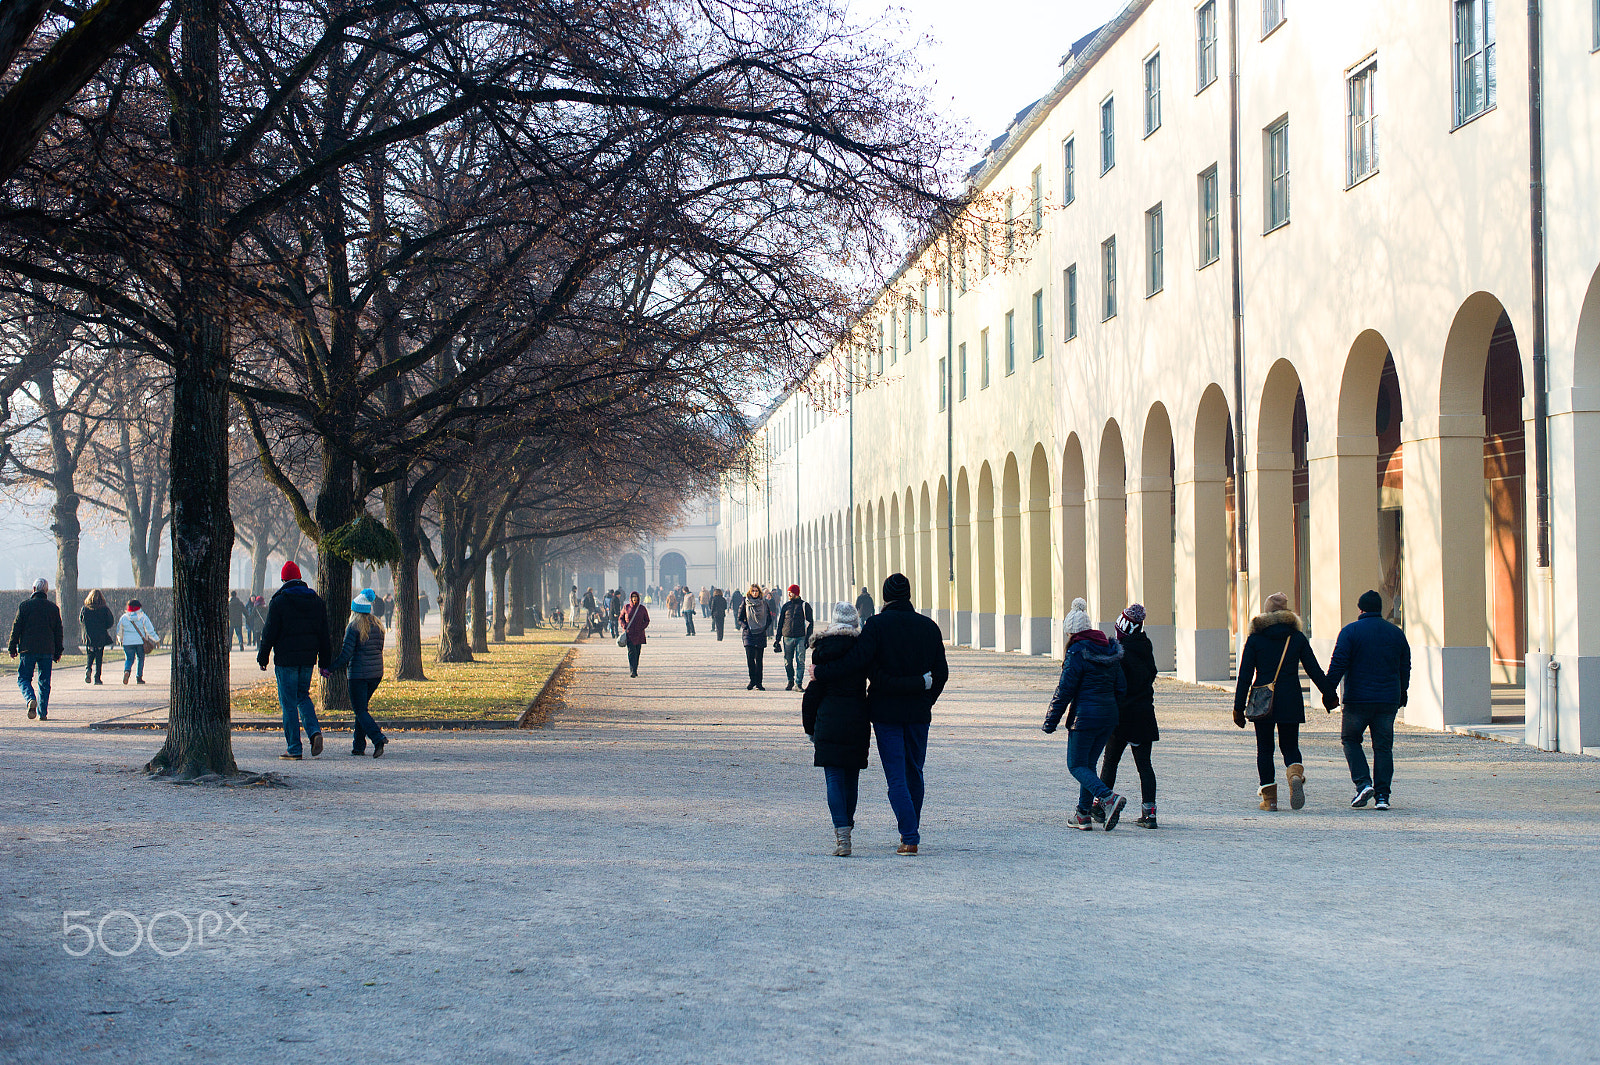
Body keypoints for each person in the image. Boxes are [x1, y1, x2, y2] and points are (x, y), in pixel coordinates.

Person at [812, 573, 948, 855]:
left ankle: (910, 835)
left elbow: (859, 664)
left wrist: (821, 672)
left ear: (885, 597)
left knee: (896, 777)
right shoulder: (929, 627)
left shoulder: (876, 626)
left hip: (885, 713)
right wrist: (926, 699)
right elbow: (942, 674)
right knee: (915, 773)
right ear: (909, 595)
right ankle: (909, 830)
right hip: (918, 714)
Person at [1233, 592, 1335, 812]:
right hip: (1290, 698)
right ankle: (1295, 774)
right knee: (1290, 745)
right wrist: (1329, 694)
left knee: (1265, 749)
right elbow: (1313, 669)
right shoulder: (1296, 637)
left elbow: (1244, 675)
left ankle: (1270, 800)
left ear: (1266, 612)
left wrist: (1238, 708)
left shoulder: (1256, 638)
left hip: (1263, 700)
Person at [1042, 598, 1130, 831]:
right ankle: (1082, 814)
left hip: (1085, 717)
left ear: (1071, 633)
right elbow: (1121, 687)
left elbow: (1065, 690)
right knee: (1088, 764)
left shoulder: (1076, 652)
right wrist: (1108, 707)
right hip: (1108, 717)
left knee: (1076, 765)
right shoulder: (1110, 650)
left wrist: (1051, 721)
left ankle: (1108, 798)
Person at [1324, 589, 1412, 810]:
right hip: (1387, 699)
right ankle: (1383, 796)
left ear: (1360, 609)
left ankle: (1363, 783)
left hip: (1357, 700)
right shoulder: (1396, 633)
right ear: (1379, 609)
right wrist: (1403, 692)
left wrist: (1329, 692)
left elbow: (1338, 664)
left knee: (1351, 740)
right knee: (1383, 747)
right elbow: (1405, 666)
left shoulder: (1350, 632)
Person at [802, 602, 871, 856]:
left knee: (833, 777)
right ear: (855, 623)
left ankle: (842, 834)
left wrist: (810, 728)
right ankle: (848, 826)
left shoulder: (820, 650)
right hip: (856, 718)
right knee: (851, 777)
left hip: (828, 720)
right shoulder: (862, 649)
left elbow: (812, 695)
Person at [257, 560, 333, 760]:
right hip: (308, 659)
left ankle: (294, 748)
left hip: (286, 660)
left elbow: (269, 633)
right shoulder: (317, 601)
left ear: (283, 579)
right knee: (302, 696)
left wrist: (263, 657)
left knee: (288, 703)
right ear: (300, 578)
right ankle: (314, 732)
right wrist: (325, 661)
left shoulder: (279, 601)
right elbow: (324, 635)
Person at [1100, 603, 1160, 828]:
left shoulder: (1119, 652)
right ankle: (1150, 813)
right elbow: (1151, 674)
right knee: (1145, 765)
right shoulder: (1146, 646)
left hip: (1122, 716)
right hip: (1144, 714)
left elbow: (1114, 684)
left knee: (1110, 762)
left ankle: (1102, 805)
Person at [327, 590, 389, 758]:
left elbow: (346, 655)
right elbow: (379, 649)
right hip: (376, 673)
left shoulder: (353, 627)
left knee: (359, 709)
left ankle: (378, 738)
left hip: (358, 675)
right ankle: (358, 746)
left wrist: (330, 668)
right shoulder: (378, 626)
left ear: (355, 611)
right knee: (362, 710)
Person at [9, 577, 63, 720]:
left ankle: (30, 698)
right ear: (46, 591)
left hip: (28, 649)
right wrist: (58, 651)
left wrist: (12, 647)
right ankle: (42, 713)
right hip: (47, 649)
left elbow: (16, 628)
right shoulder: (53, 608)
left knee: (23, 678)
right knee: (44, 682)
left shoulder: (25, 606)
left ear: (33, 590)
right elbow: (58, 631)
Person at [775, 584, 814, 691]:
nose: (788, 594)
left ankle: (798, 683)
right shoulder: (786, 606)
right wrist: (777, 639)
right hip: (787, 637)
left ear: (796, 593)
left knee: (800, 661)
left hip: (801, 637)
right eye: (788, 592)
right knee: (787, 661)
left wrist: (809, 639)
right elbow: (780, 622)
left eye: (790, 592)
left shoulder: (805, 606)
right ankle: (790, 680)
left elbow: (810, 623)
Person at [736, 584, 773, 690]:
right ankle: (752, 680)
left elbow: (769, 618)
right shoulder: (745, 603)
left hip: (760, 633)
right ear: (750, 592)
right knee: (750, 659)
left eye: (756, 591)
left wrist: (764, 628)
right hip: (749, 634)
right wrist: (746, 627)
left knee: (759, 660)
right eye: (753, 591)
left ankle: (759, 683)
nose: (755, 593)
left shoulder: (764, 604)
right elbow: (740, 618)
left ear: (759, 592)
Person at [116, 598, 159, 685]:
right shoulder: (143, 617)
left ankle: (127, 671)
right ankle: (139, 677)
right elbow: (149, 630)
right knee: (140, 659)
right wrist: (156, 639)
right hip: (140, 642)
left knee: (129, 659)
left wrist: (120, 639)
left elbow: (119, 630)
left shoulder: (124, 617)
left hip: (127, 642)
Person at [80, 589, 116, 685]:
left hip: (89, 636)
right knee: (99, 657)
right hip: (100, 635)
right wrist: (104, 627)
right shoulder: (104, 609)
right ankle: (97, 678)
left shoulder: (85, 609)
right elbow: (110, 622)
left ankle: (88, 668)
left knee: (90, 654)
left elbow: (81, 621)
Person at [620, 591, 649, 677]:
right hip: (630, 633)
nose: (634, 598)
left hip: (639, 633)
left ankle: (635, 668)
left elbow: (647, 620)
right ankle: (632, 670)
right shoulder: (626, 607)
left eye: (636, 596)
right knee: (631, 652)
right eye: (633, 597)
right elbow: (621, 618)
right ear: (630, 598)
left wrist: (642, 627)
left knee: (637, 652)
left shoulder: (642, 608)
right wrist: (624, 626)